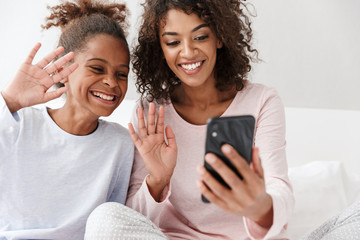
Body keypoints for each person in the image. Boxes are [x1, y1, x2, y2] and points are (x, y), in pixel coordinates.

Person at [85, 0, 294, 239]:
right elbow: (134, 221)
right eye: (173, 42)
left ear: (220, 37)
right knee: (105, 217)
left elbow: (279, 188)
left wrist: (259, 205)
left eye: (200, 37)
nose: (187, 52)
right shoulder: (151, 110)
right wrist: (158, 180)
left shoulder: (261, 101)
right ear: (161, 49)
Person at [0, 0, 134, 239]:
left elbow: (116, 223)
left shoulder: (121, 144)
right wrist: (9, 100)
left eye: (121, 74)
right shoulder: (19, 124)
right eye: (97, 68)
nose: (112, 82)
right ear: (66, 70)